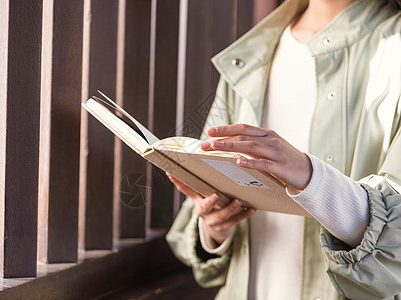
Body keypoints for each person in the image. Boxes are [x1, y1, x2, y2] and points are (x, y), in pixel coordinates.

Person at [165, 0, 401, 299]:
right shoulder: (253, 51)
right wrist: (214, 227)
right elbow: (205, 208)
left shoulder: (394, 50)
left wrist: (312, 179)